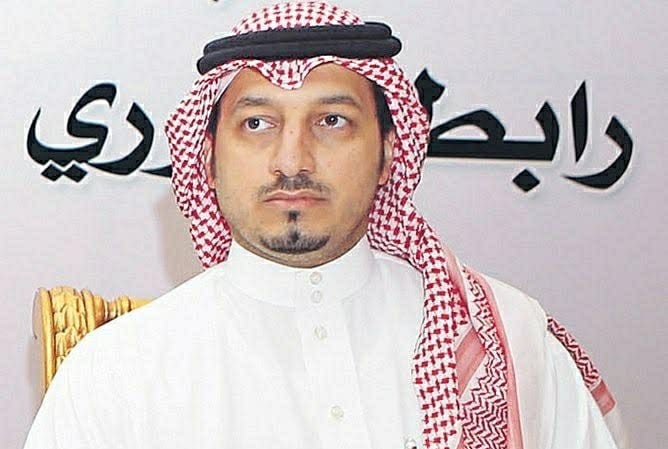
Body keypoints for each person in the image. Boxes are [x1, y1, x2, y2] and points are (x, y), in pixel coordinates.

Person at [23, 2, 629, 449]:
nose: (293, 160)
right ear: (207, 156)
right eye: (257, 124)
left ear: (389, 151)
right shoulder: (118, 374)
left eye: (332, 121)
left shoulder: (506, 345)